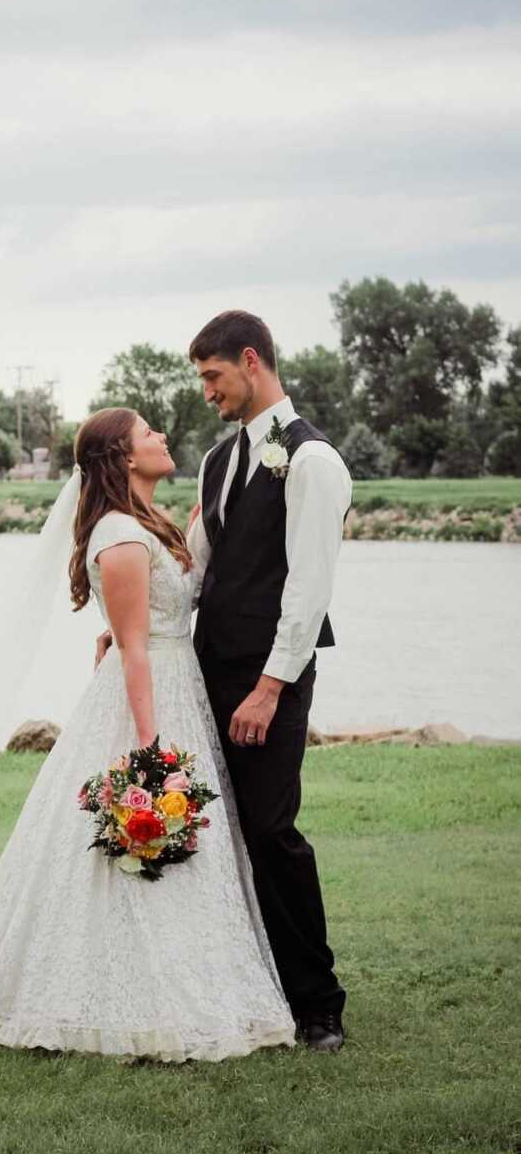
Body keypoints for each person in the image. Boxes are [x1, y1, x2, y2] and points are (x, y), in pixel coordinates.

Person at [0, 406, 295, 1061]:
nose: (161, 436)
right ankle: (125, 999)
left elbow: (146, 618)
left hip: (173, 680)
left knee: (177, 852)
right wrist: (152, 750)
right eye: (148, 433)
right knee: (138, 837)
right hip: (150, 698)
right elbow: (134, 650)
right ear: (124, 457)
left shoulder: (142, 525)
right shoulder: (122, 536)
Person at [186, 309, 352, 1052]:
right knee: (217, 833)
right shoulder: (218, 460)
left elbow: (309, 588)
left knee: (272, 830)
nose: (208, 392)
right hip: (203, 669)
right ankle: (241, 987)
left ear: (251, 362)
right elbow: (204, 563)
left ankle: (318, 1005)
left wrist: (270, 686)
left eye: (213, 377)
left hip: (267, 681)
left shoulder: (313, 461)